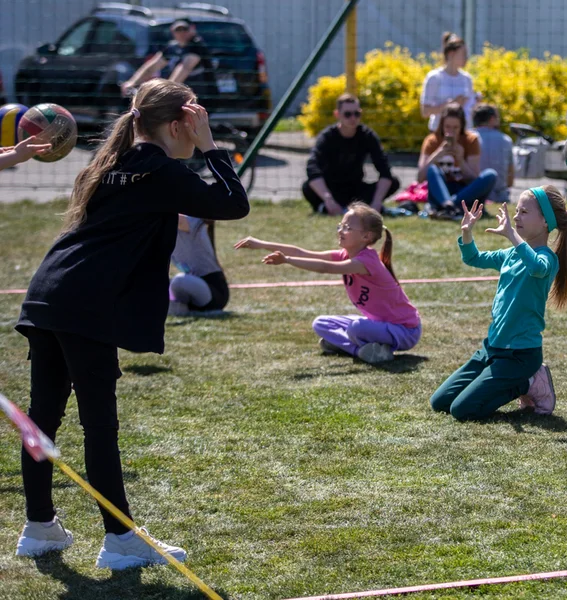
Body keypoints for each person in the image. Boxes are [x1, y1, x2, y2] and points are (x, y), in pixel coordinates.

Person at [14, 78, 249, 568]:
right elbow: (233, 204)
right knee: (100, 425)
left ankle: (39, 527)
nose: (200, 128)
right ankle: (121, 540)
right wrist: (209, 148)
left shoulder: (113, 161)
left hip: (47, 292)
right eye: (197, 119)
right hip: (84, 305)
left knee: (43, 418)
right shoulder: (159, 169)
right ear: (181, 122)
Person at [430, 188, 567, 420]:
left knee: (462, 410)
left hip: (521, 355)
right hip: (492, 348)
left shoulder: (547, 258)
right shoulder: (511, 254)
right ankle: (512, 379)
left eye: (524, 211)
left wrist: (512, 236)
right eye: (516, 210)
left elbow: (537, 268)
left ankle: (528, 382)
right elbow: (473, 258)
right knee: (440, 403)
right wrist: (467, 232)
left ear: (546, 222)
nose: (516, 216)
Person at [235, 203, 421, 365]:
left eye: (347, 228)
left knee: (356, 328)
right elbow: (302, 252)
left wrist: (287, 260)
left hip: (405, 331)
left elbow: (325, 267)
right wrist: (260, 243)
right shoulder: (346, 254)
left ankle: (351, 345)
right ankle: (361, 350)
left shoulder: (366, 261)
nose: (340, 230)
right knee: (321, 323)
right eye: (340, 225)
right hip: (378, 324)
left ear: (366, 236)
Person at [302, 93, 400, 215]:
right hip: (332, 189)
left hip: (356, 189)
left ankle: (363, 207)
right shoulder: (327, 137)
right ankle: (328, 207)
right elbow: (312, 167)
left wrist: (377, 202)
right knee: (308, 187)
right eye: (347, 114)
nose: (353, 118)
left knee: (393, 182)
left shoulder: (367, 135)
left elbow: (384, 170)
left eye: (357, 113)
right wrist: (328, 199)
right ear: (337, 114)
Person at [418, 103, 497, 217]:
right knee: (432, 169)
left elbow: (474, 178)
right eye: (447, 127)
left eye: (455, 128)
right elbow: (420, 177)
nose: (451, 132)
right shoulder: (432, 141)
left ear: (462, 126)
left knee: (490, 175)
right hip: (441, 189)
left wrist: (460, 159)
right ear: (442, 125)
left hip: (463, 191)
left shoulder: (471, 140)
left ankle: (448, 206)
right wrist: (437, 154)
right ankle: (449, 205)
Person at [120, 19, 216, 98]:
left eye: (185, 29)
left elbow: (184, 68)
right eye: (178, 30)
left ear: (191, 30)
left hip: (200, 97)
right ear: (172, 32)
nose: (181, 33)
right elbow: (152, 66)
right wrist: (132, 82)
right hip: (181, 96)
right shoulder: (172, 47)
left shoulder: (196, 45)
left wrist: (165, 89)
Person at [169, 215, 230, 314]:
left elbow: (171, 218)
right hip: (192, 287)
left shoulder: (193, 220)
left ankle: (178, 309)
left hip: (214, 291)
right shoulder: (168, 233)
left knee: (179, 281)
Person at [421, 32, 478, 132]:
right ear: (451, 54)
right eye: (463, 54)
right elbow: (425, 112)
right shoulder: (434, 77)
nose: (466, 58)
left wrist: (476, 103)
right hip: (439, 132)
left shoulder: (466, 78)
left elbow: (469, 108)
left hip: (463, 132)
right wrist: (450, 105)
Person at [473, 103, 515, 203]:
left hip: (474, 194)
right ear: (492, 119)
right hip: (501, 196)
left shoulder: (468, 138)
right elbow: (510, 180)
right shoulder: (506, 140)